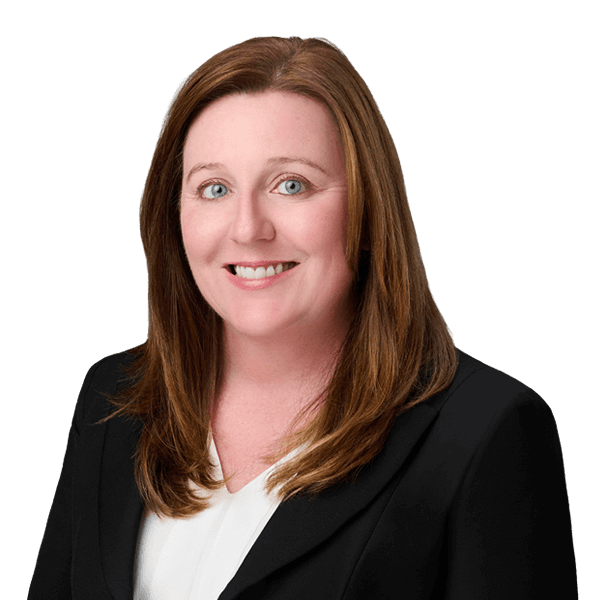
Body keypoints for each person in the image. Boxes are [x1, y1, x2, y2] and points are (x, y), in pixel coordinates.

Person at [29, 36, 577, 599]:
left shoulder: (487, 431)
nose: (248, 228)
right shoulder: (113, 399)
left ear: (368, 209)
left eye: (291, 185)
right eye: (214, 189)